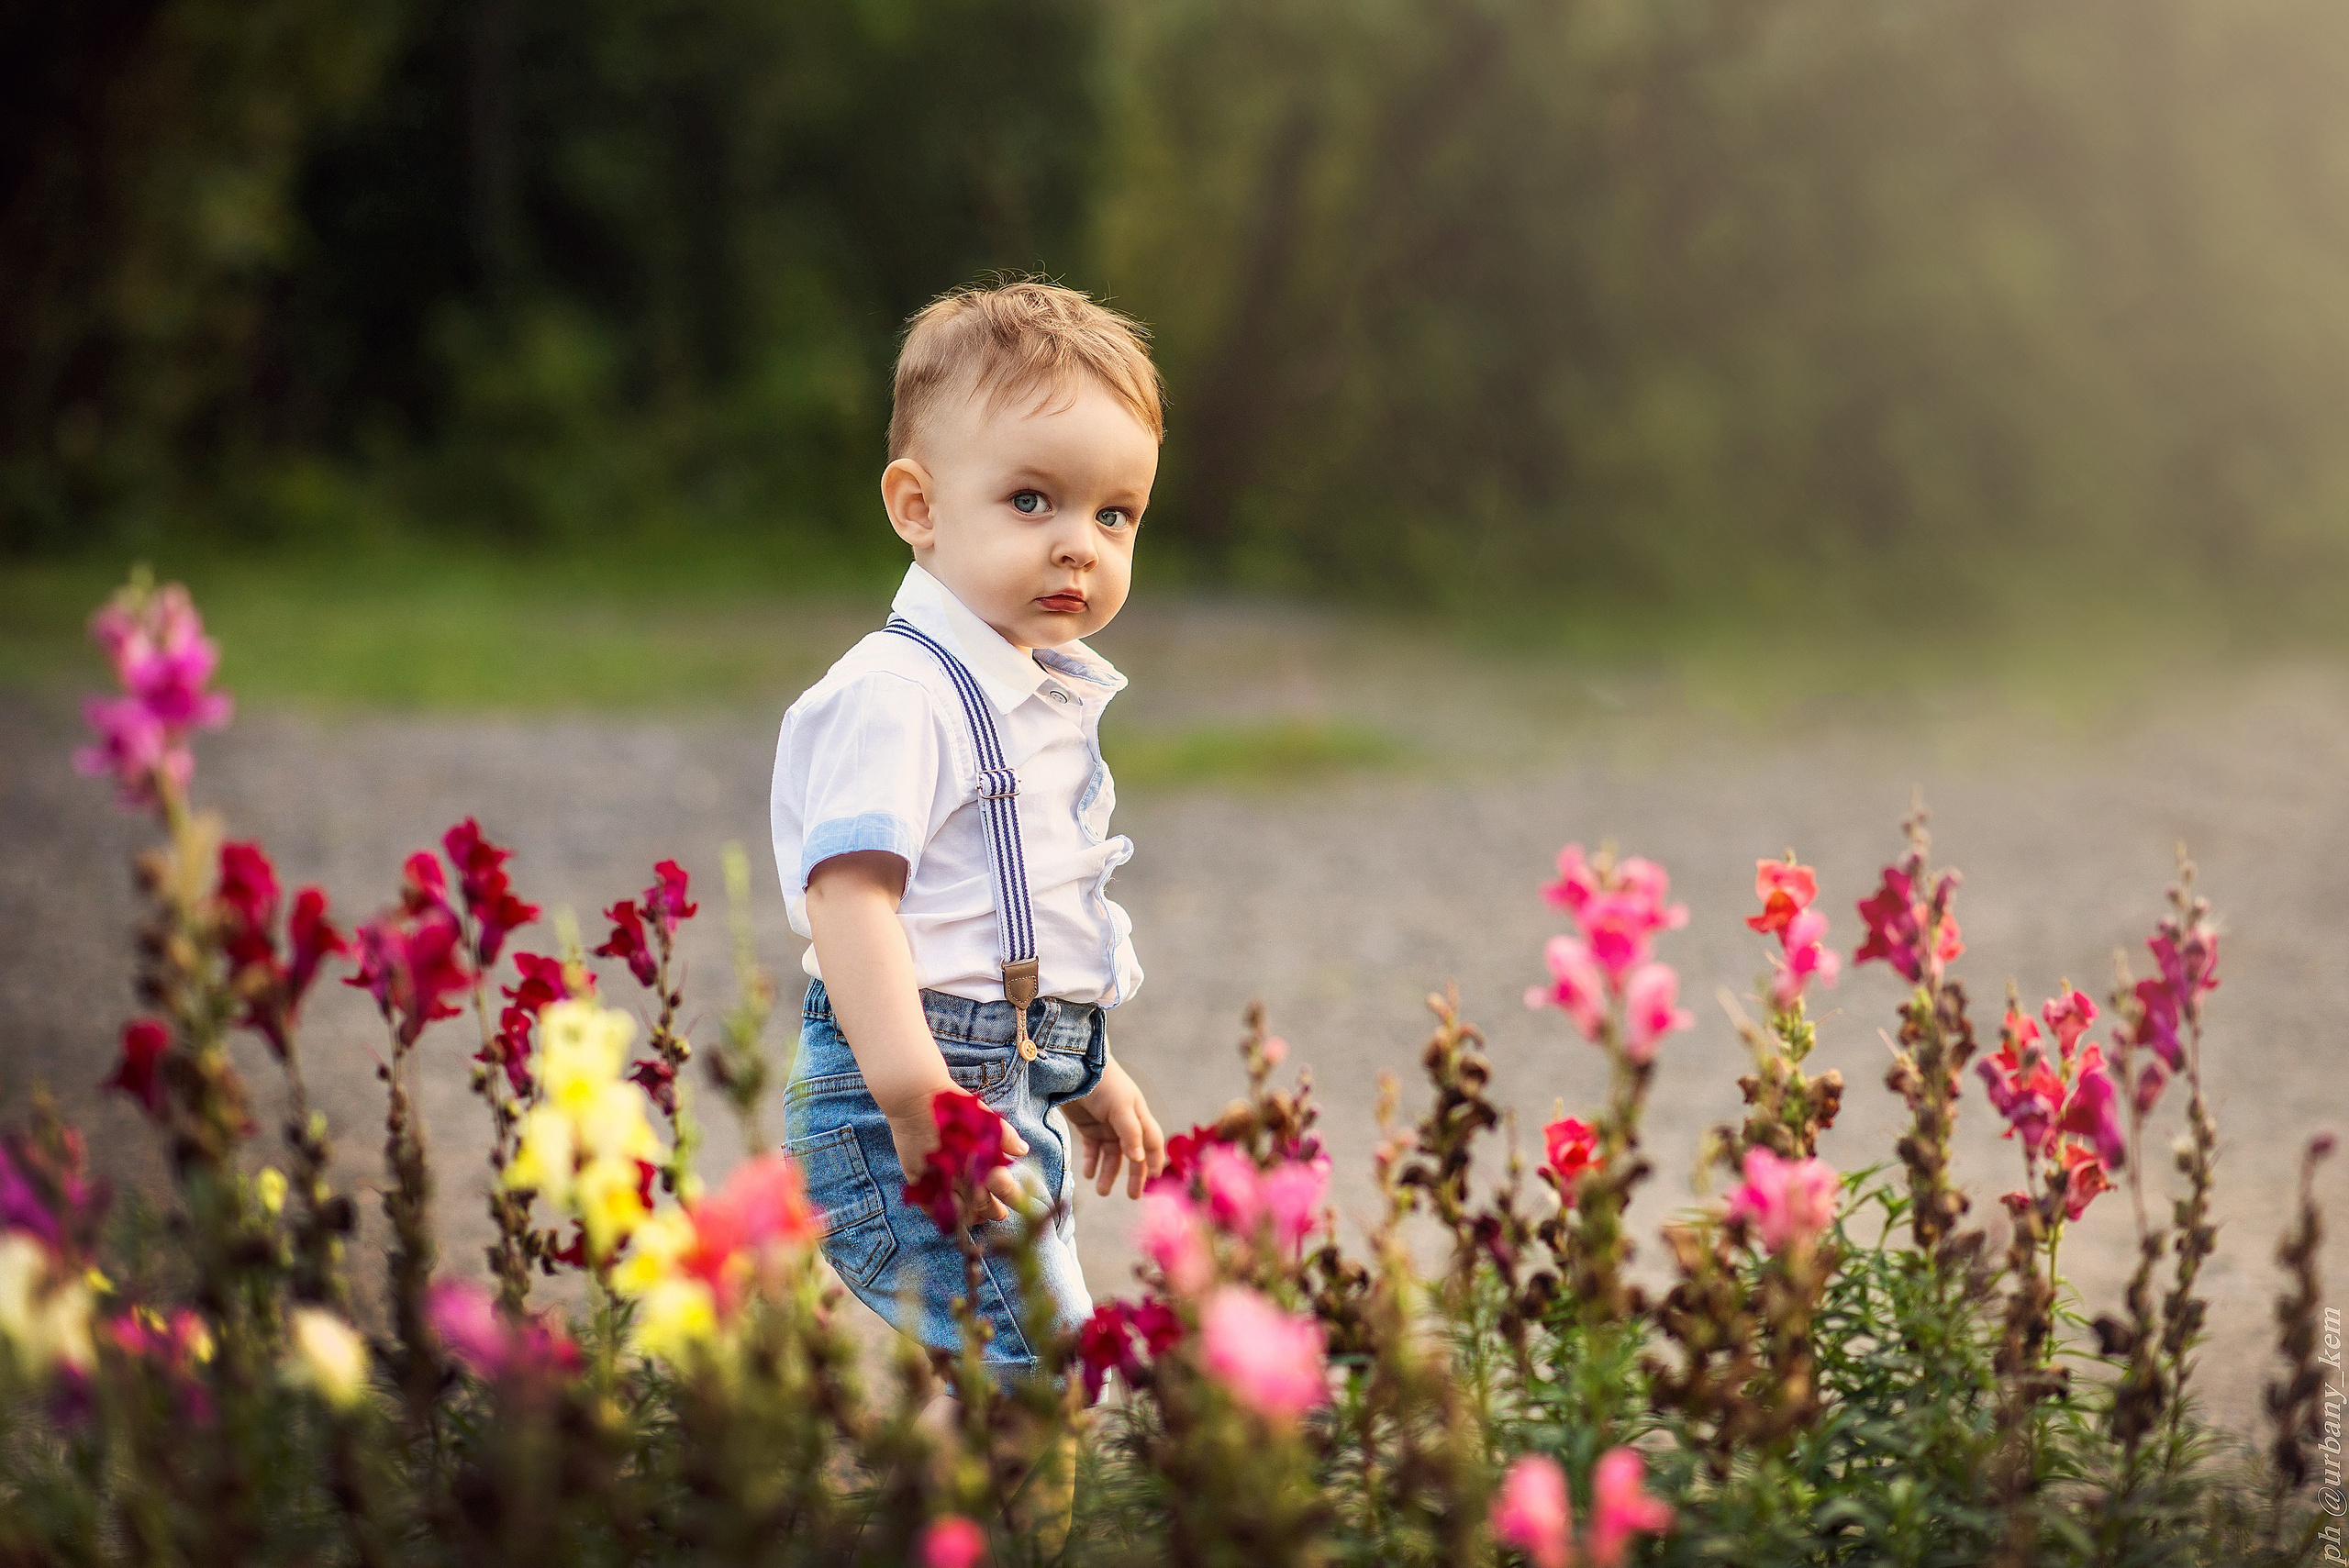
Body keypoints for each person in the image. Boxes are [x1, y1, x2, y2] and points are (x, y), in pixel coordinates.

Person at [769, 277, 1170, 1529]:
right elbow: (855, 904)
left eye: (1118, 514)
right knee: (1040, 1366)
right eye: (1034, 499)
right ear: (918, 507)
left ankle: (963, 1529)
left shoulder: (1026, 690)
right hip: (908, 1099)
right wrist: (916, 1098)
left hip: (995, 1089)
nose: (1081, 544)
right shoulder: (900, 692)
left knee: (1028, 1368)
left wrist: (1082, 1065)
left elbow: (1011, 919)